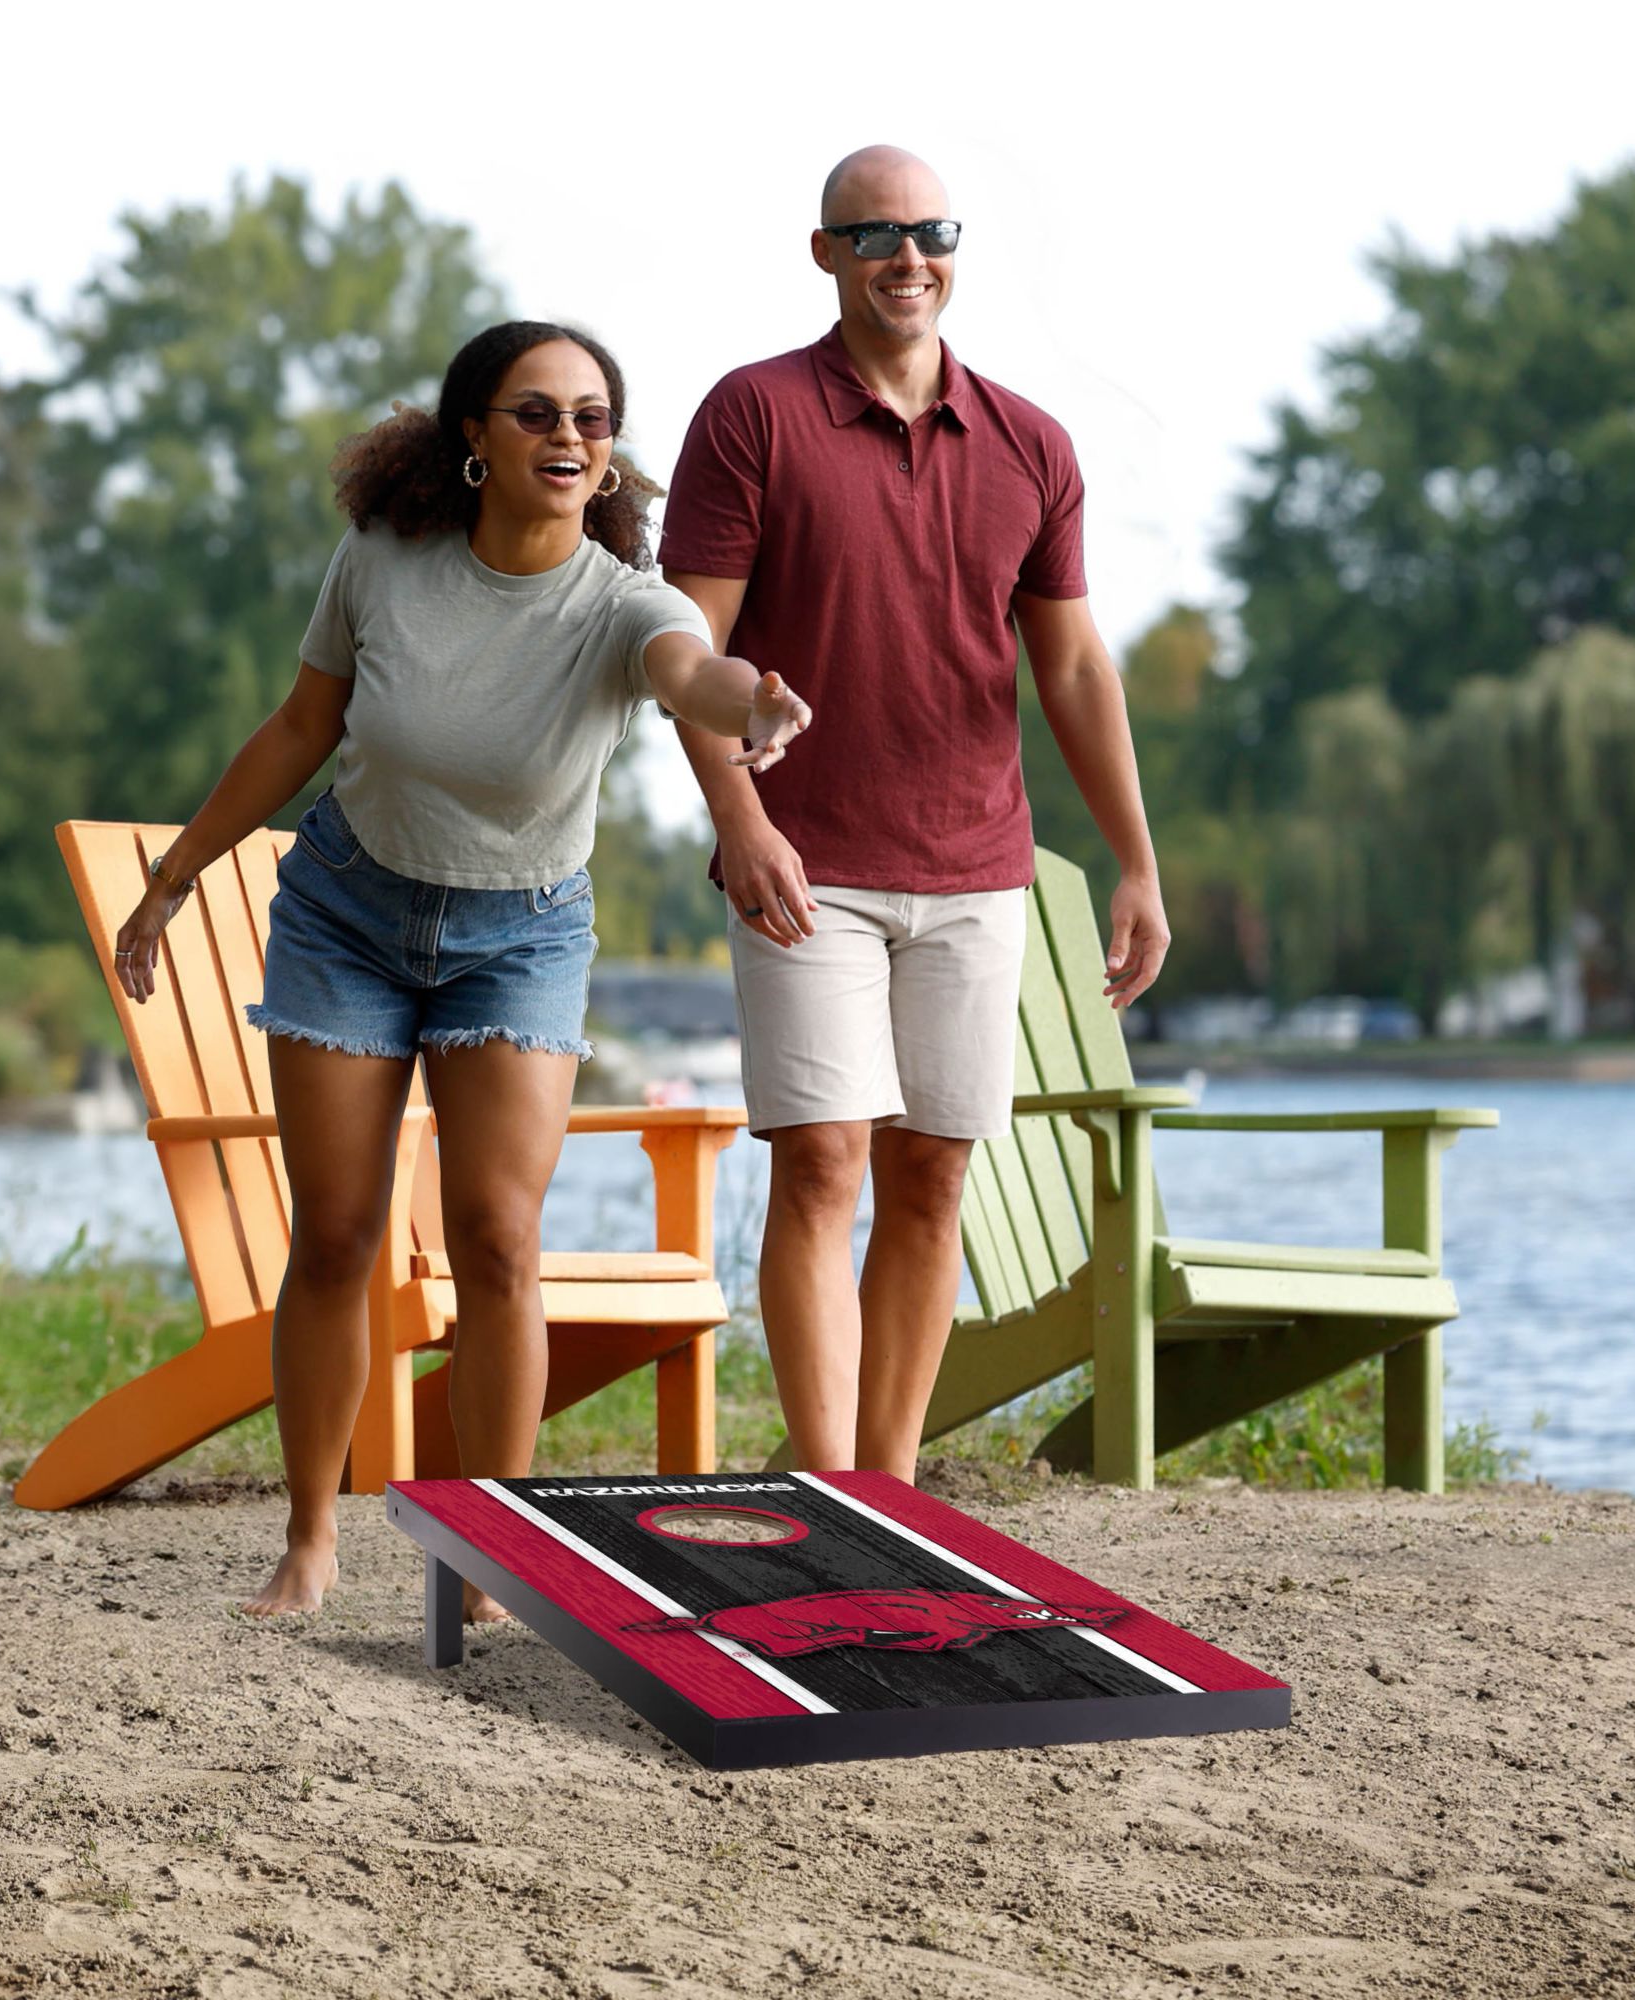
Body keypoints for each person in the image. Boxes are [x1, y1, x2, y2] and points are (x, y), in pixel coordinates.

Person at [111, 320, 812, 1619]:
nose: (567, 436)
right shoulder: (384, 560)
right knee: (337, 1234)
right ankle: (311, 1538)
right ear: (476, 437)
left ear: (610, 455)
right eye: (536, 412)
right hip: (348, 915)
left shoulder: (625, 604)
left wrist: (753, 706)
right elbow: (302, 726)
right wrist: (178, 872)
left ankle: (495, 1553)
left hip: (522, 936)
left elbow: (691, 675)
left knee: (497, 1239)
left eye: (591, 418)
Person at [658, 146, 1168, 1482]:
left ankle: (884, 1484)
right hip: (806, 864)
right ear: (824, 253)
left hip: (976, 868)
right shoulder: (753, 415)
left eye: (931, 232)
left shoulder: (1030, 444)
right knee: (824, 1162)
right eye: (875, 234)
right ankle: (829, 1484)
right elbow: (683, 649)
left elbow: (1074, 668)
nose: (908, 257)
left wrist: (1135, 861)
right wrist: (740, 822)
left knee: (933, 1176)